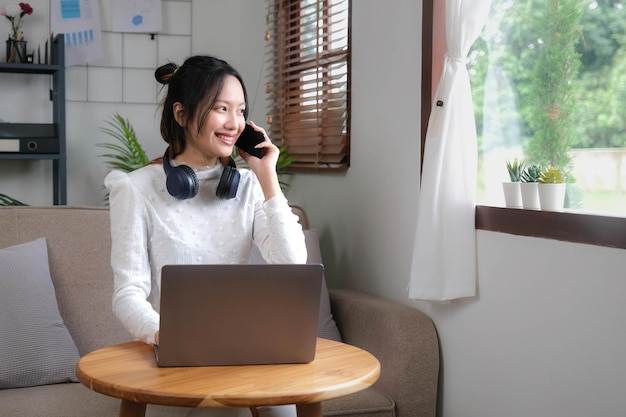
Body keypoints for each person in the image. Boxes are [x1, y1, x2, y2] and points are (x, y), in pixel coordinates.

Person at [104, 55, 307, 417]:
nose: (235, 123)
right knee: (223, 412)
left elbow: (292, 265)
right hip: (177, 360)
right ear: (181, 115)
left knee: (286, 406)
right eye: (221, 108)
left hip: (243, 351)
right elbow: (127, 294)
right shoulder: (135, 189)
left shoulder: (248, 186)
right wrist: (165, 334)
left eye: (241, 111)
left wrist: (267, 176)